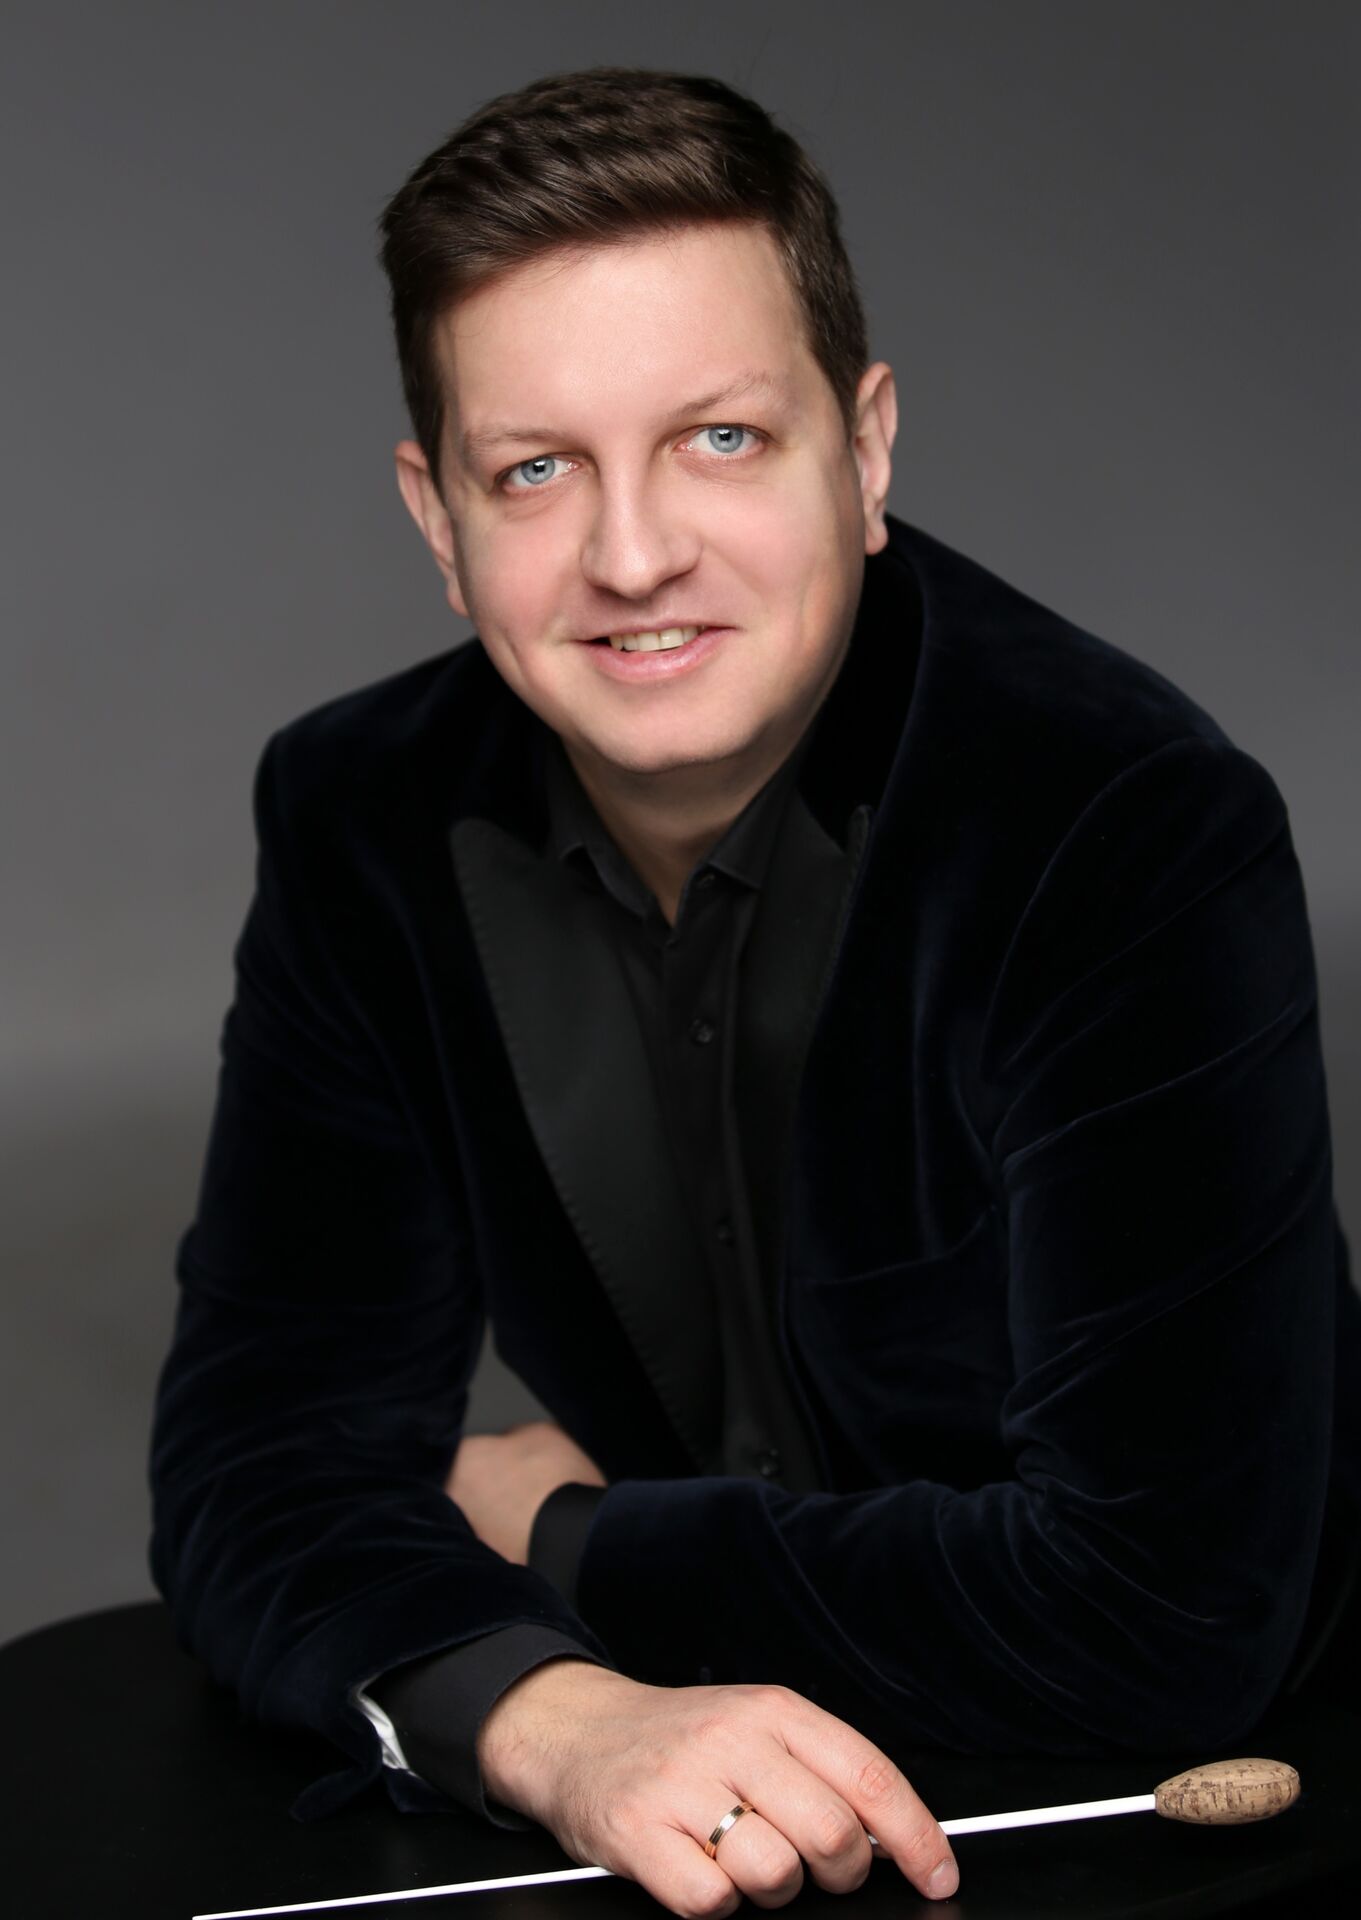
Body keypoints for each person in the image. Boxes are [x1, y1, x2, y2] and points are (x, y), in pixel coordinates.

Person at [149, 64, 1361, 1919]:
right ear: (435, 517)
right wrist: (555, 1721)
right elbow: (256, 1466)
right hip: (681, 1808)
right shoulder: (359, 815)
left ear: (862, 455)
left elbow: (1162, 1608)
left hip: (1171, 1814)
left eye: (719, 437)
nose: (633, 556)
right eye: (534, 469)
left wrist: (558, 1534)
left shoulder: (1120, 823)